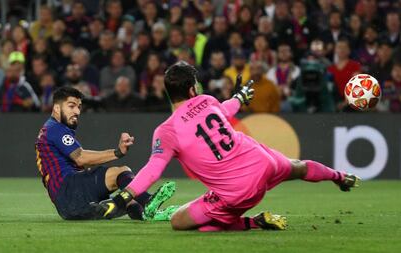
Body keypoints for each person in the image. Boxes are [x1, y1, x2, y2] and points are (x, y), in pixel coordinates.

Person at [95, 61, 360, 231]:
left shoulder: (167, 131)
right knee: (298, 167)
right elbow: (224, 109)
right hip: (261, 161)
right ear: (191, 90)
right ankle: (339, 176)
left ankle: (253, 223)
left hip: (238, 192)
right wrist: (240, 97)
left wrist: (123, 197)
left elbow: (153, 170)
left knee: (181, 222)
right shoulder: (208, 101)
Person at [34, 86, 176, 220]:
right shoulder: (55, 129)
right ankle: (148, 201)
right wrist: (117, 152)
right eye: (71, 106)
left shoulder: (50, 130)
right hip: (69, 190)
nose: (77, 111)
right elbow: (80, 158)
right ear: (57, 108)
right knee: (120, 172)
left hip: (67, 205)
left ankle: (149, 215)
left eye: (79, 107)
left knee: (128, 200)